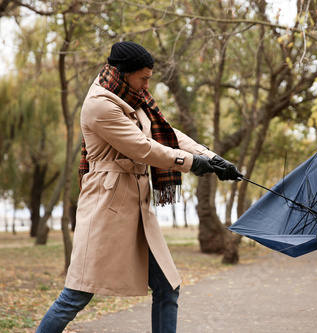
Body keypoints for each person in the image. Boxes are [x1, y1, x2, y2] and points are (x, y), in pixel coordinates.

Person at [36, 41, 242, 333]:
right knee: (77, 295)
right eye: (144, 77)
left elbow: (168, 135)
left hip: (136, 207)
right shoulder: (100, 104)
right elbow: (142, 148)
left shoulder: (133, 97)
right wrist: (192, 163)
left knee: (167, 288)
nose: (147, 84)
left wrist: (211, 157)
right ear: (124, 72)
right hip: (106, 207)